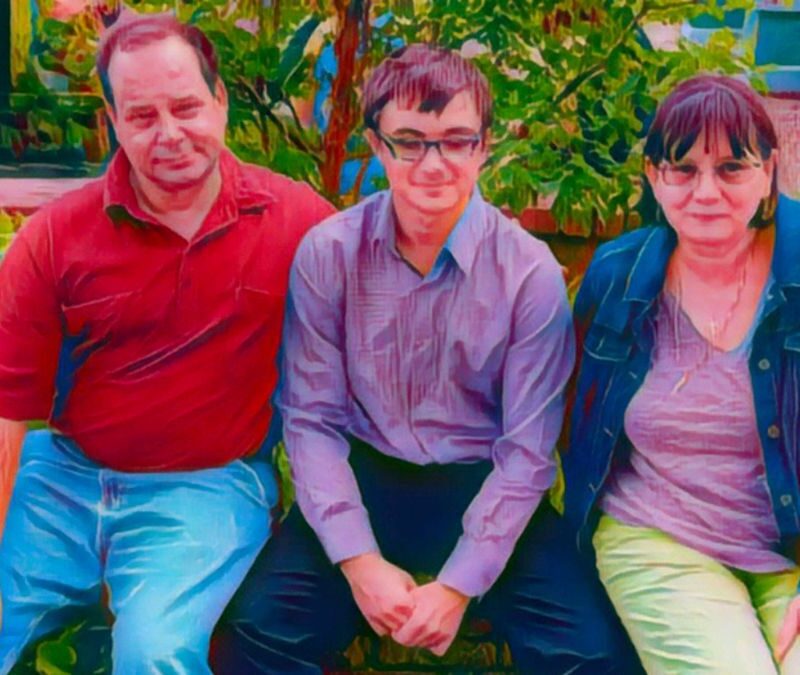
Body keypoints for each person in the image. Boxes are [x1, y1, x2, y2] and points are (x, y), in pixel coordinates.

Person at [212, 44, 641, 674]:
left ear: (485, 146)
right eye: (410, 141)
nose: (433, 163)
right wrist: (360, 565)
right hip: (366, 477)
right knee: (251, 639)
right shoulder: (329, 254)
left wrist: (458, 586)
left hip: (484, 485)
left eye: (455, 140)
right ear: (378, 145)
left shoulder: (529, 274)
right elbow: (312, 422)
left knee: (593, 655)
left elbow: (527, 457)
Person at [0, 12, 334, 673]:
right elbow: (7, 411)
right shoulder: (55, 235)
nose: (169, 133)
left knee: (155, 653)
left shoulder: (298, 220)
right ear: (114, 120)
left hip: (205, 489)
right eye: (143, 115)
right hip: (62, 477)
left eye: (186, 107)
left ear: (221, 101)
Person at [562, 74, 800, 673]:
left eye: (731, 169)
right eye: (684, 168)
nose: (706, 192)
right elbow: (571, 417)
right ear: (652, 177)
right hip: (659, 535)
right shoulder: (617, 277)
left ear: (769, 172)